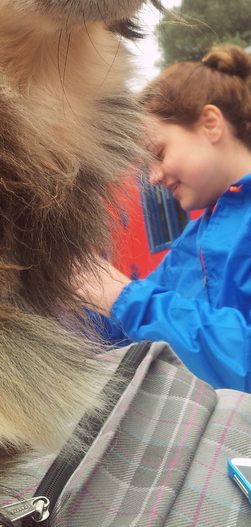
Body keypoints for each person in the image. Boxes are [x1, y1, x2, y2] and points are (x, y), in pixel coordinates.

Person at [84, 44, 251, 391]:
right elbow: (125, 325)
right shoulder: (194, 238)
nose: (153, 177)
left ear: (211, 124)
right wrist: (72, 296)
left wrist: (123, 297)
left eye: (159, 153)